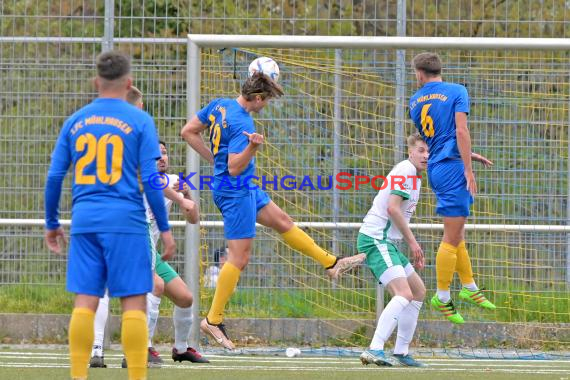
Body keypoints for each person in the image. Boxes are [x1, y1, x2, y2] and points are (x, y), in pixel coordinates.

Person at [180, 72, 365, 350]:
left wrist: (213, 159)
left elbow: (188, 131)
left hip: (242, 187)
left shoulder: (220, 104)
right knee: (239, 258)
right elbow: (233, 166)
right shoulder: (243, 121)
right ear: (256, 98)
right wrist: (253, 148)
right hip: (235, 191)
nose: (265, 105)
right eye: (265, 100)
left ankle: (331, 262)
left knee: (282, 221)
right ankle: (213, 320)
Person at [44, 50, 175, 380]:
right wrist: (165, 227)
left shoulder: (76, 120)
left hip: (86, 220)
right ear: (128, 83)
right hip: (127, 222)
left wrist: (52, 223)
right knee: (133, 302)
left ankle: (78, 376)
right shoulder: (140, 121)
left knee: (85, 300)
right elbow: (150, 179)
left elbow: (55, 176)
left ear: (96, 82)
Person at [89, 88, 209, 369]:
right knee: (139, 285)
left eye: (164, 153)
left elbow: (192, 218)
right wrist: (179, 197)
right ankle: (137, 349)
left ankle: (180, 348)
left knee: (185, 296)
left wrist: (186, 198)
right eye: (157, 153)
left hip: (144, 246)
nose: (161, 157)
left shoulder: (171, 177)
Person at [408, 52, 495, 324]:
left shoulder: (414, 100)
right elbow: (459, 131)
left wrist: (469, 157)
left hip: (442, 165)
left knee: (457, 233)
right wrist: (467, 169)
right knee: (451, 236)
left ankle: (469, 287)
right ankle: (442, 296)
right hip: (452, 167)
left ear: (420, 74)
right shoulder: (457, 90)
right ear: (437, 70)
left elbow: (439, 138)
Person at [358, 133, 428, 368]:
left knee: (417, 291)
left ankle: (401, 352)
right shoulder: (405, 170)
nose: (425, 156)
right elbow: (393, 209)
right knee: (404, 293)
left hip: (387, 241)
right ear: (410, 151)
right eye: (421, 150)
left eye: (428, 151)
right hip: (376, 238)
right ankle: (374, 348)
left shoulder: (415, 175)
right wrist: (413, 243)